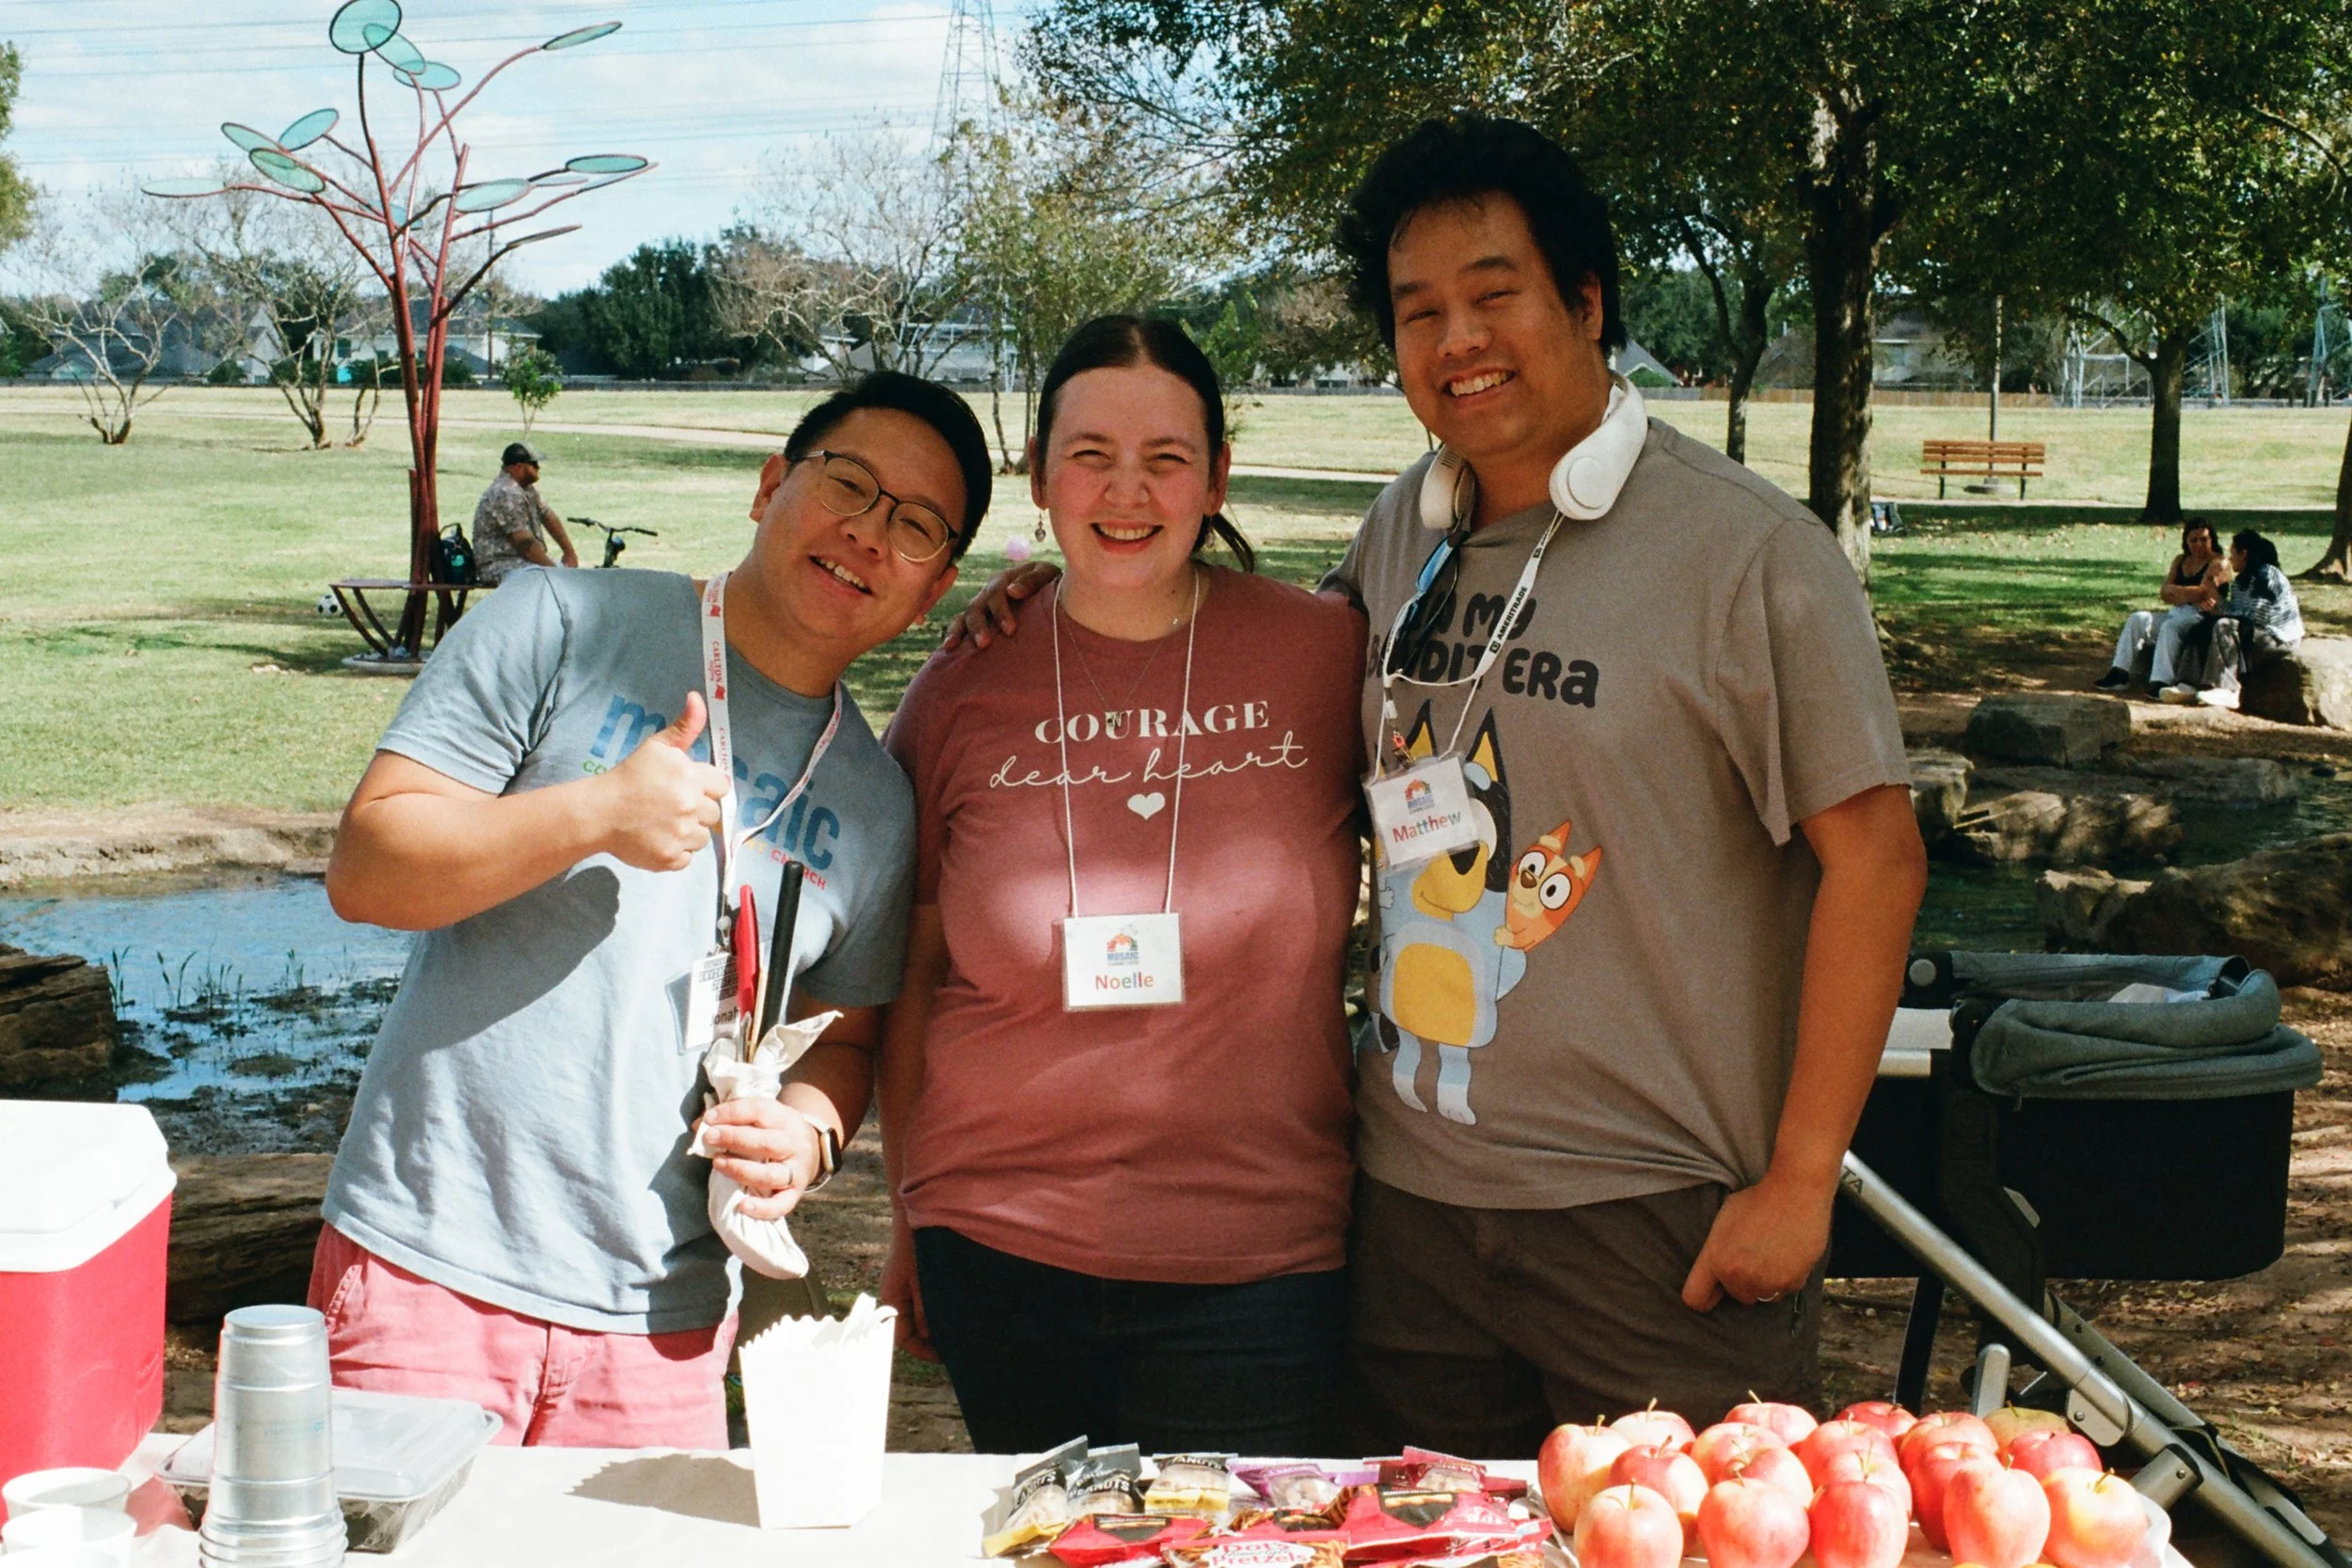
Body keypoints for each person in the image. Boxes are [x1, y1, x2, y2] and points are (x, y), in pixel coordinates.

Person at [946, 115, 1928, 1447]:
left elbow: (1877, 860)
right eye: (1419, 311)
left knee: (1676, 1533)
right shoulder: (1404, 525)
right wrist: (1048, 611)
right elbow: (1235, 647)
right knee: (1418, 1535)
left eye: (1493, 293)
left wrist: (1803, 1181)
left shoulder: (1750, 553)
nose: (1457, 338)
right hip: (1407, 1212)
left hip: (1655, 1214)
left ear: (1586, 303)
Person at [312, 372, 988, 1447]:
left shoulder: (875, 799)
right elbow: (367, 866)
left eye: (914, 525)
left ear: (934, 588)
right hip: (427, 1271)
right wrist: (592, 814)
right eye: (847, 483)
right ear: (770, 485)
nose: (867, 533)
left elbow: (847, 1039)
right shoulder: (562, 619)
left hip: (663, 1325)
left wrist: (805, 1135)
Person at [877, 316, 1366, 1454]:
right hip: (993, 1244)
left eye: (1166, 457)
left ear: (1217, 478)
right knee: (1043, 1535)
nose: (1126, 491)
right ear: (1038, 472)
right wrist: (907, 1212)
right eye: (1090, 454)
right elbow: (913, 975)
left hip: (1258, 1263)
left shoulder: (1325, 656)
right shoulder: (962, 684)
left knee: (1223, 1537)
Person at [2172, 529, 2306, 710]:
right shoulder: (2240, 582)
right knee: (2203, 625)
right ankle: (2187, 685)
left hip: (2277, 637)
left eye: (2233, 553)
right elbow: (2236, 612)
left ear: (2244, 554)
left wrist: (2224, 615)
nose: (2230, 558)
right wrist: (2216, 600)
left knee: (2225, 626)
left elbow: (2259, 616)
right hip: (2251, 631)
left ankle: (2228, 689)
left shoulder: (2267, 574)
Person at [2095, 518, 2228, 698]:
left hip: (2201, 616)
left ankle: (2161, 682)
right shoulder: (2180, 560)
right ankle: (2120, 673)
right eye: (2193, 540)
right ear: (2186, 541)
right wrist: (2182, 593)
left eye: (2204, 539)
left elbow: (2202, 593)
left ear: (2212, 540)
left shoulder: (2218, 562)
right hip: (2176, 612)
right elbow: (2164, 593)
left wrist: (2176, 591)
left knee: (2170, 627)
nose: (2199, 544)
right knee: (2138, 619)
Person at [471, 440, 580, 583]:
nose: (538, 468)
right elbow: (525, 545)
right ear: (519, 467)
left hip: (521, 561)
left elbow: (548, 516)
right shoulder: (505, 493)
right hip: (499, 564)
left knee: (567, 575)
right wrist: (553, 572)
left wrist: (569, 553)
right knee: (551, 579)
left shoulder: (526, 489)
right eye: (534, 464)